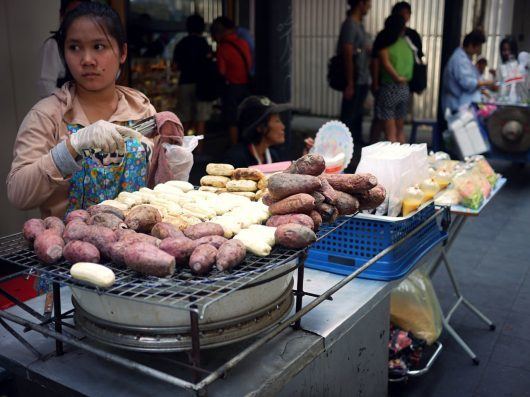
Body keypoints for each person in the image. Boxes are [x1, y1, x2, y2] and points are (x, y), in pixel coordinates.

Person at [7, 2, 188, 218]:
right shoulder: (47, 115)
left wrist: (175, 163)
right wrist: (70, 148)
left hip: (136, 243)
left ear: (122, 52)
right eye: (74, 47)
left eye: (99, 46)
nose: (87, 60)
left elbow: (155, 185)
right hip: (70, 246)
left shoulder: (141, 108)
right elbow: (18, 193)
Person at [369, 1, 421, 143]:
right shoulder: (407, 45)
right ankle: (403, 159)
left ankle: (386, 158)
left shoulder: (385, 43)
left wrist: (395, 77)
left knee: (390, 132)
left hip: (390, 88)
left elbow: (383, 63)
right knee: (400, 130)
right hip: (405, 89)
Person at [210, 16, 252, 145]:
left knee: (232, 118)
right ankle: (246, 143)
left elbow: (221, 71)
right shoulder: (243, 43)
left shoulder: (223, 48)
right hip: (246, 85)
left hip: (232, 87)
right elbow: (250, 63)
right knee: (244, 116)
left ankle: (235, 146)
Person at [36, 0, 89, 98]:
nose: (77, 19)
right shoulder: (54, 45)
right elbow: (45, 87)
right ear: (62, 15)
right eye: (72, 14)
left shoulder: (93, 41)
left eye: (82, 14)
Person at [338, 0, 372, 146]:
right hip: (355, 79)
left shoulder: (360, 25)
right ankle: (343, 150)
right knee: (349, 118)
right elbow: (347, 52)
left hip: (362, 78)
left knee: (357, 116)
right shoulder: (350, 24)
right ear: (361, 4)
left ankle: (355, 148)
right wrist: (350, 83)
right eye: (368, 3)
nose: (369, 7)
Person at [172, 14, 212, 137]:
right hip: (202, 84)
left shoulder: (181, 43)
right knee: (200, 118)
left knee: (184, 117)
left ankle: (183, 148)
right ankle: (199, 151)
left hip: (185, 82)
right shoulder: (204, 44)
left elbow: (174, 67)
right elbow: (209, 63)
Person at [223, 96, 290, 168]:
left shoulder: (273, 156)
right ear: (260, 127)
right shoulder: (236, 158)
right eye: (277, 121)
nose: (283, 127)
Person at [441, 30, 496, 114]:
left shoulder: (465, 59)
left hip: (465, 105)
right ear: (471, 45)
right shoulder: (460, 59)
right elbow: (468, 83)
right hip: (457, 106)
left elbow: (476, 81)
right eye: (478, 46)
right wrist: (487, 83)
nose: (478, 50)